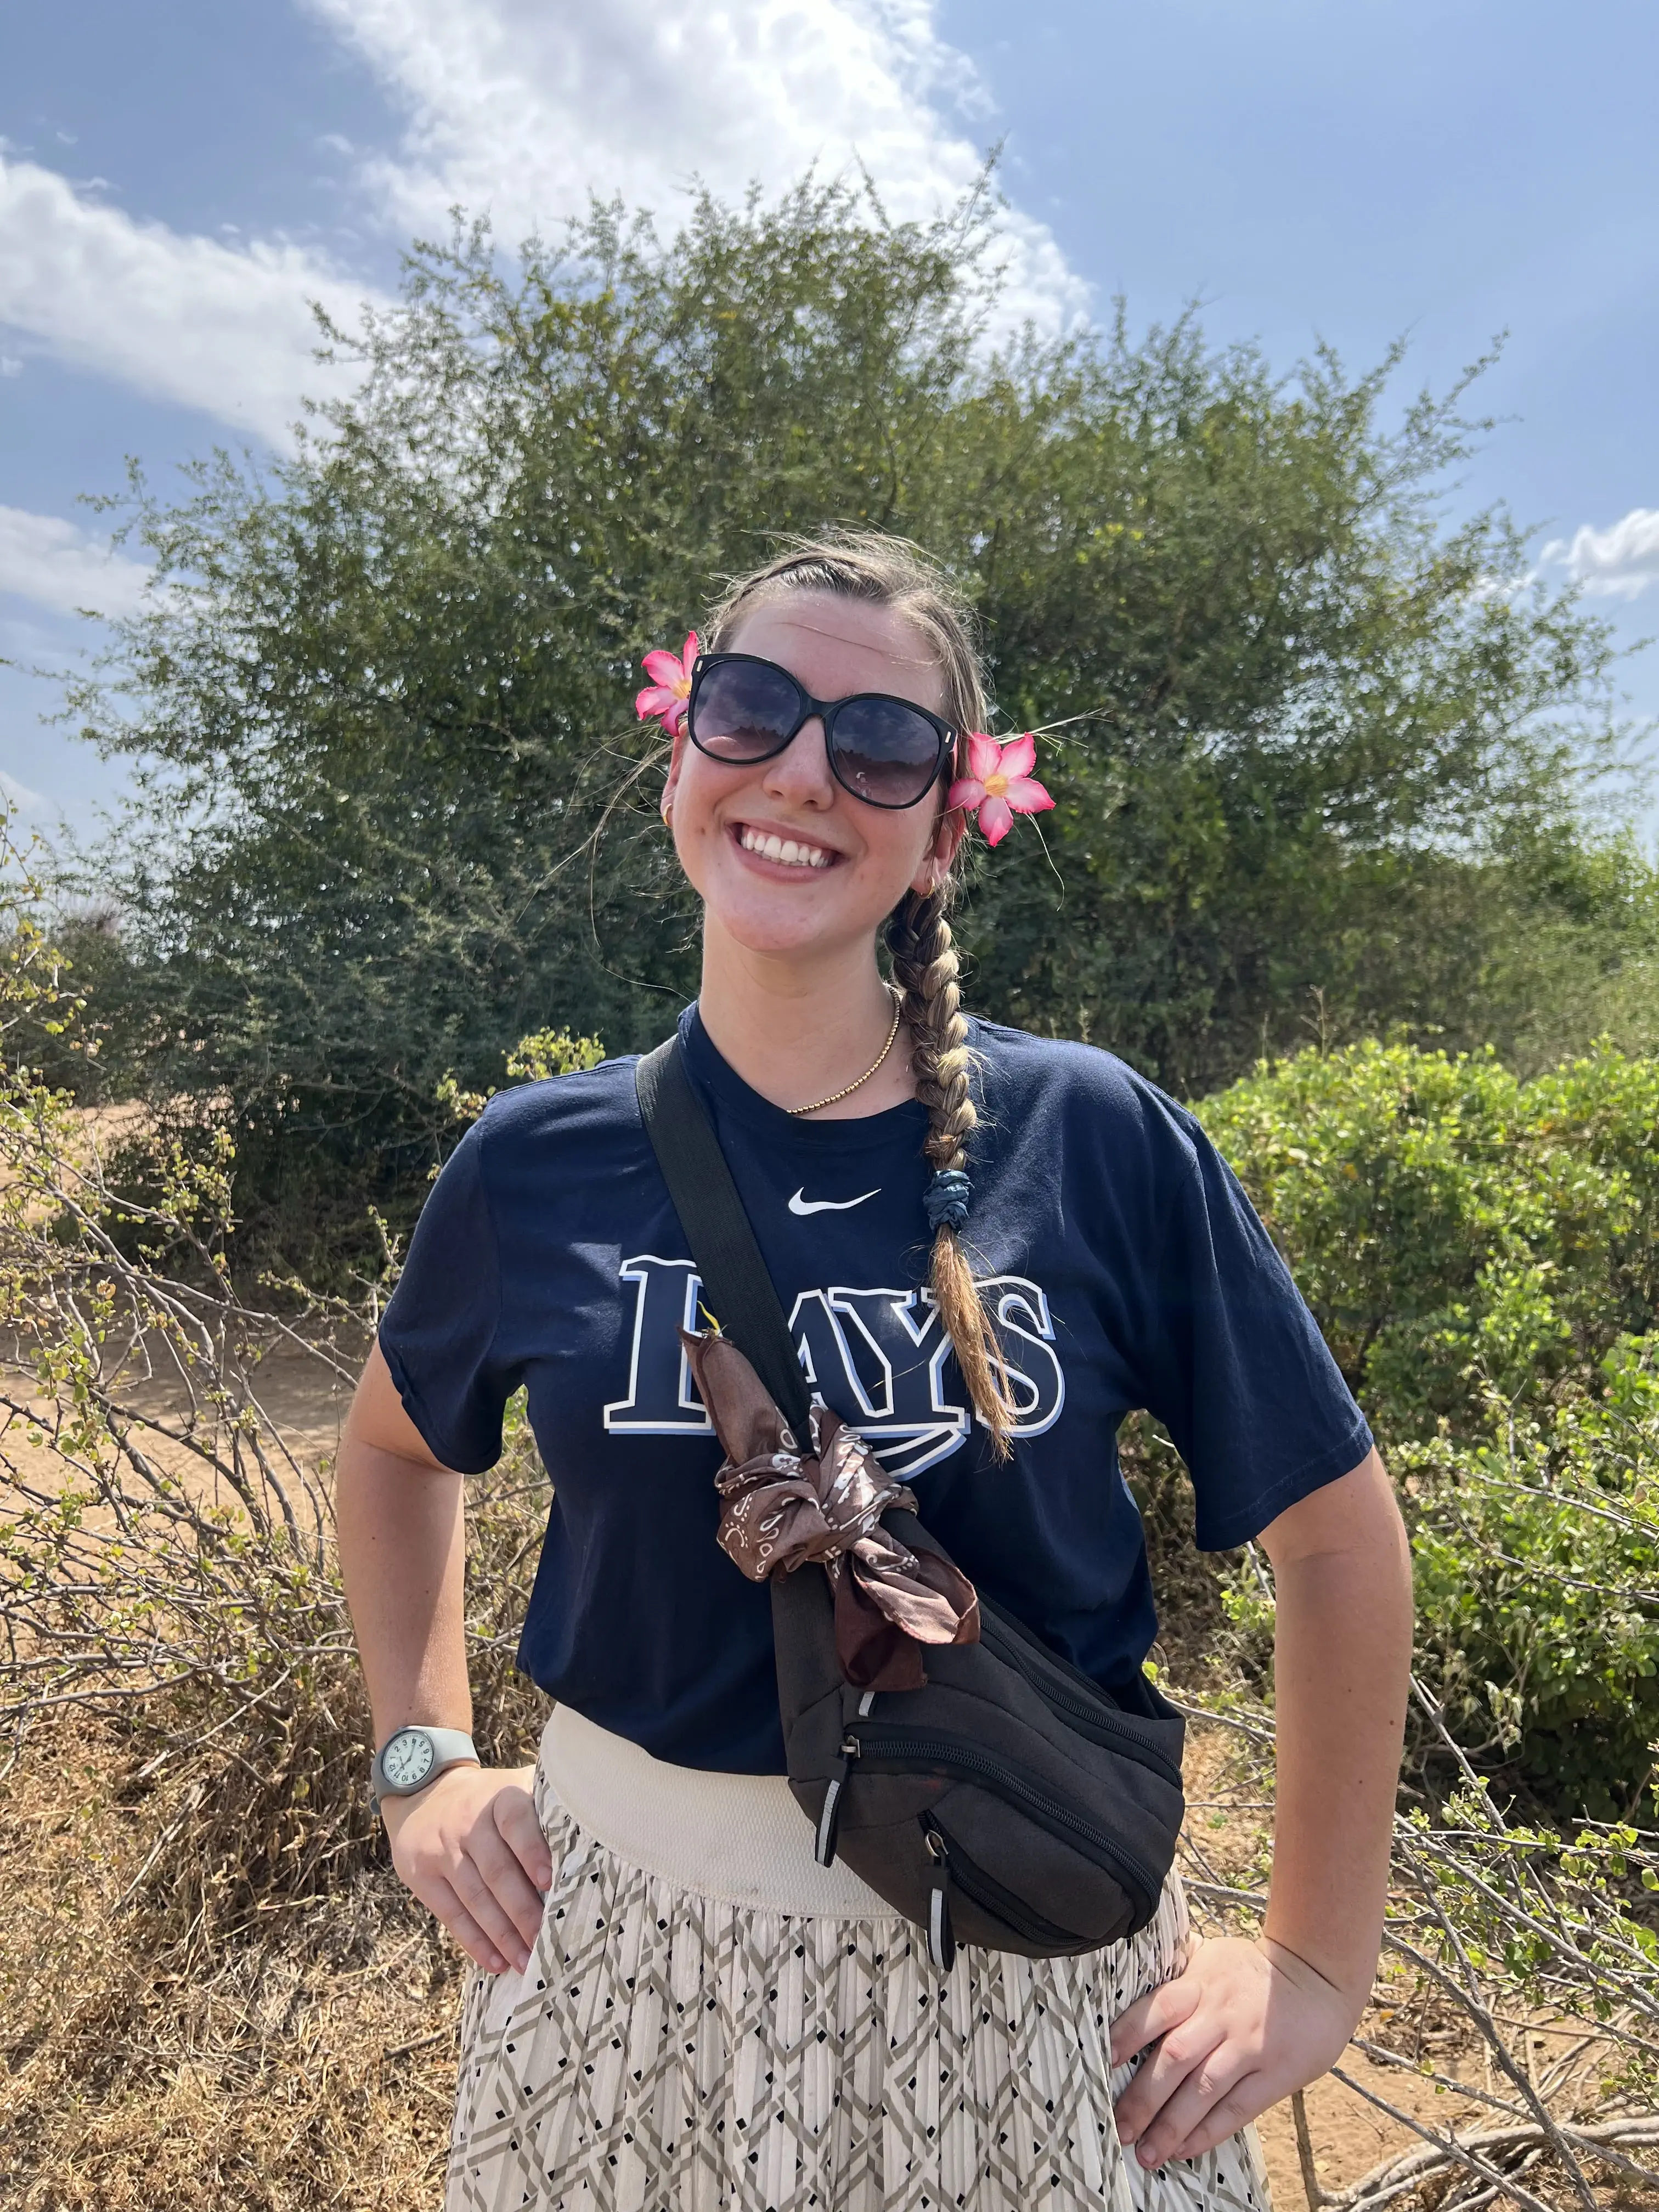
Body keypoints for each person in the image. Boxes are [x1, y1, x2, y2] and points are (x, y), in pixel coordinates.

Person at [337, 530, 1413, 2212]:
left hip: (1041, 1987)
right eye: (752, 706)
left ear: (941, 829)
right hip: (626, 1983)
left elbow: (1340, 1544)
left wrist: (1320, 1962)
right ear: (684, 739)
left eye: (883, 743)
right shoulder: (532, 1163)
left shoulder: (1102, 1139)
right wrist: (421, 1761)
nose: (803, 773)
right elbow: (400, 1456)